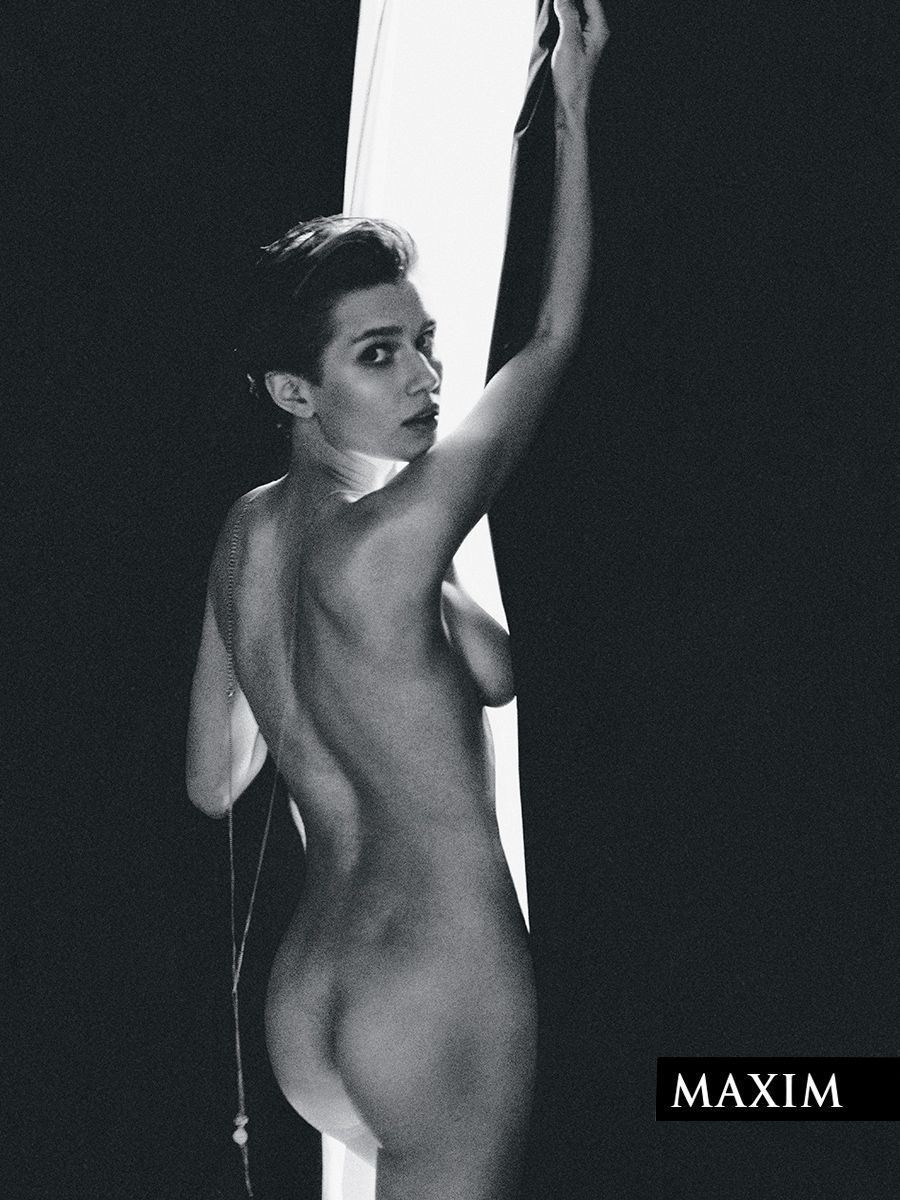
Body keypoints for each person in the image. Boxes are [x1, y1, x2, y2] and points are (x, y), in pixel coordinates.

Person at [186, 2, 609, 1195]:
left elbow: (213, 781)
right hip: (433, 989)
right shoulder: (399, 537)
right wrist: (573, 114)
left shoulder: (248, 534)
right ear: (294, 391)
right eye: (378, 354)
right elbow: (552, 337)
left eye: (425, 343)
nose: (426, 377)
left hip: (307, 1005)